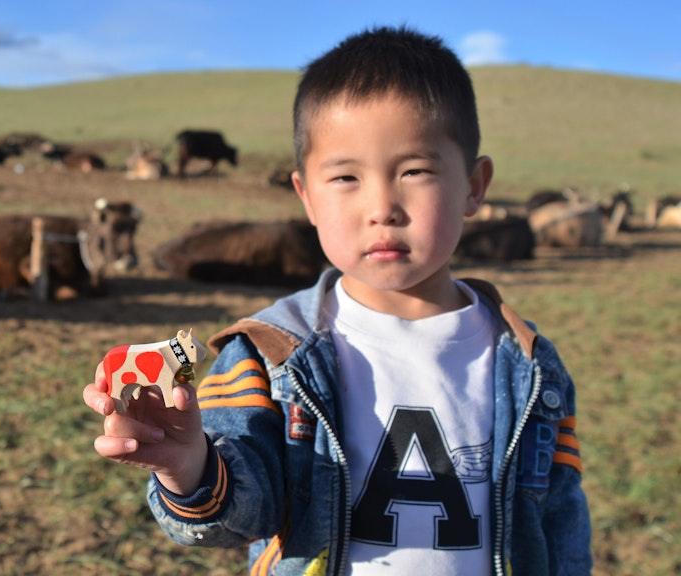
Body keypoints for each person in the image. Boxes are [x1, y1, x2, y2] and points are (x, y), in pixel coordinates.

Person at [83, 25, 592, 575]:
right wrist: (192, 466)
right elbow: (244, 508)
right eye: (346, 176)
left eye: (415, 171)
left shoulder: (531, 366)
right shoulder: (271, 355)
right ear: (307, 197)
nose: (382, 207)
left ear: (474, 185)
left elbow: (561, 526)